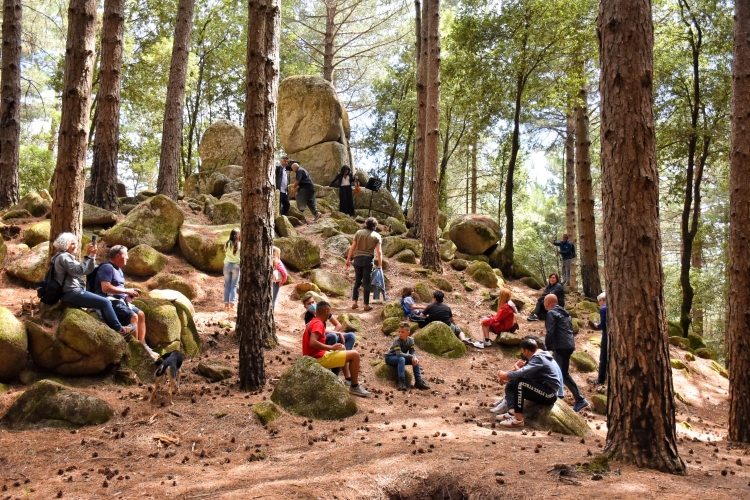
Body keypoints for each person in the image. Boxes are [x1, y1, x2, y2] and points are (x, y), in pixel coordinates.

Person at [52, 232, 135, 336]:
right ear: (64, 244)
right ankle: (120, 330)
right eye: (71, 244)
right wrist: (87, 255)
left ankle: (116, 328)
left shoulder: (67, 257)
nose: (75, 246)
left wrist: (93, 255)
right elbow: (79, 270)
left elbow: (88, 270)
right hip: (72, 292)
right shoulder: (63, 257)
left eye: (75, 243)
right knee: (105, 302)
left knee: (103, 303)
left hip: (73, 291)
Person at [94, 245, 158, 359]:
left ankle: (143, 346)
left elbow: (118, 288)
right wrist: (126, 290)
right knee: (133, 316)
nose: (127, 257)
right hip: (108, 300)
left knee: (141, 314)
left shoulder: (118, 269)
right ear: (118, 256)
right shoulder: (107, 268)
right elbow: (105, 288)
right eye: (126, 254)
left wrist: (127, 296)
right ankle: (134, 352)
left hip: (120, 300)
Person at [302, 301, 370, 397]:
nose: (329, 314)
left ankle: (348, 379)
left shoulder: (314, 321)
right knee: (355, 355)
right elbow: (312, 342)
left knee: (341, 348)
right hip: (318, 359)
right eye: (329, 311)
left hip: (315, 356)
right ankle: (354, 386)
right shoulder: (318, 323)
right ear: (326, 311)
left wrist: (337, 335)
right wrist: (331, 347)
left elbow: (320, 333)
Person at [495, 337, 561, 428]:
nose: (522, 353)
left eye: (522, 350)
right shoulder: (536, 358)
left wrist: (506, 375)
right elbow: (525, 375)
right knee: (512, 384)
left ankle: (518, 420)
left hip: (549, 393)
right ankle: (512, 412)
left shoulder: (539, 358)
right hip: (542, 389)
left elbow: (523, 373)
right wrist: (508, 375)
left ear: (526, 351)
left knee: (519, 383)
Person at [544, 294, 589, 412]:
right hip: (568, 345)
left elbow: (550, 331)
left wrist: (546, 347)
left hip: (560, 346)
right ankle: (574, 398)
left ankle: (577, 399)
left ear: (547, 302)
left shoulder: (551, 313)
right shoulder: (565, 313)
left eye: (544, 301)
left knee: (558, 372)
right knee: (562, 372)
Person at [302, 294, 356, 381]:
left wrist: (337, 332)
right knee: (332, 336)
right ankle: (335, 372)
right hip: (321, 344)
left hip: (327, 338)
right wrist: (334, 334)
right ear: (305, 307)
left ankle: (345, 367)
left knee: (351, 336)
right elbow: (315, 336)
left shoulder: (324, 310)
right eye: (309, 304)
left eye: (312, 302)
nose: (312, 305)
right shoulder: (310, 317)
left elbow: (338, 324)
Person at [419, 290, 484, 349]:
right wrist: (456, 325)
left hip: (435, 327)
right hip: (448, 327)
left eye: (433, 297)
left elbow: (421, 315)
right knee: (459, 331)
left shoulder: (430, 306)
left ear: (435, 298)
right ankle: (463, 339)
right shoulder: (447, 308)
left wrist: (428, 315)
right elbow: (451, 319)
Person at [346, 217, 383, 311]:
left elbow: (352, 247)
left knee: (357, 281)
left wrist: (348, 259)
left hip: (357, 259)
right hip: (368, 260)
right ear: (375, 226)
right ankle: (366, 305)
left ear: (366, 224)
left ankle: (354, 302)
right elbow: (379, 251)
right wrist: (380, 264)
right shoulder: (376, 235)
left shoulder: (359, 233)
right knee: (366, 283)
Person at [384, 322, 431, 391]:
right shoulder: (397, 340)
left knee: (415, 360)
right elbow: (398, 354)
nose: (400, 334)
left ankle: (419, 381)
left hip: (400, 357)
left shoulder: (411, 340)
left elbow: (412, 352)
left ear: (408, 333)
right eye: (399, 331)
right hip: (390, 357)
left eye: (402, 332)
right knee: (402, 359)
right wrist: (411, 356)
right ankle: (401, 382)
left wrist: (414, 357)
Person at [588, 292, 608, 386]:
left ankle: (601, 379)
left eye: (599, 301)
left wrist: (597, 325)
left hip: (606, 334)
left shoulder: (604, 309)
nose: (598, 303)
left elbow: (603, 324)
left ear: (602, 300)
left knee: (603, 356)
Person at [223, 228, 240, 311]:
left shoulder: (227, 243)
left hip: (227, 265)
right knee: (234, 286)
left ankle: (226, 305)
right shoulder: (240, 245)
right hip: (236, 266)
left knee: (227, 286)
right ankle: (232, 305)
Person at [272, 246, 288, 310]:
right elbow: (284, 273)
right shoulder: (278, 262)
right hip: (275, 282)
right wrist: (282, 281)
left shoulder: (265, 260)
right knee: (273, 299)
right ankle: (271, 314)